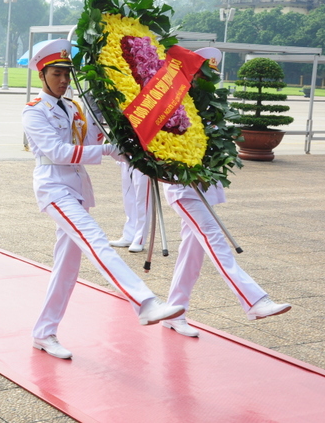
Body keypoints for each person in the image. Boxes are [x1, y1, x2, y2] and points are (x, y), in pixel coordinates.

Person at [23, 39, 184, 360]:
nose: (64, 80)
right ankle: (144, 301)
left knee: (66, 269)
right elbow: (58, 152)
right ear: (42, 75)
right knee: (95, 240)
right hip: (53, 187)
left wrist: (134, 147)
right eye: (57, 73)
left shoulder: (73, 107)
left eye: (67, 74)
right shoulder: (34, 113)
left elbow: (96, 138)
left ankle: (44, 332)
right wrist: (108, 150)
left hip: (76, 189)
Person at [162, 182, 292, 337]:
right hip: (182, 189)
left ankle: (174, 310)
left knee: (191, 254)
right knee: (214, 239)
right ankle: (254, 300)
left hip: (199, 187)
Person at [109, 165, 152, 253]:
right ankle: (129, 235)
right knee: (129, 197)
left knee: (142, 198)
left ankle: (139, 239)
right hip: (127, 157)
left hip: (145, 158)